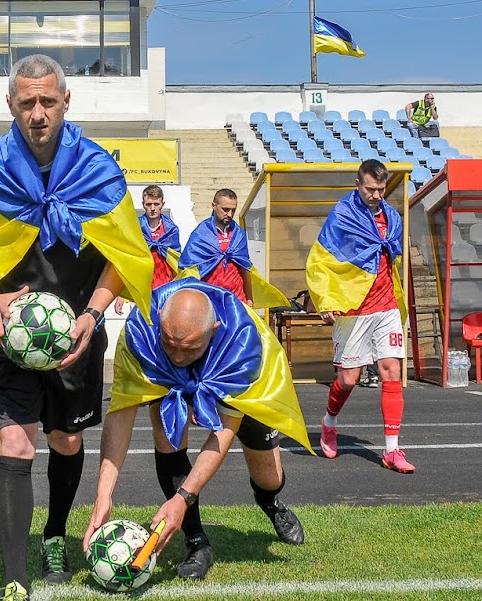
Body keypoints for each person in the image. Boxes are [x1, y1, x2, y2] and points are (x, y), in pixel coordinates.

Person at [0, 54, 153, 601]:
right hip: (5, 336)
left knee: (65, 439)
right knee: (15, 442)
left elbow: (126, 256)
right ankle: (15, 576)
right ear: (10, 105)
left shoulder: (99, 170)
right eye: (27, 102)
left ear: (66, 102)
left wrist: (91, 315)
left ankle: (56, 532)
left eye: (47, 101)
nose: (38, 112)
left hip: (76, 337)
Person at [84, 280, 311, 581]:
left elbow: (224, 433)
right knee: (166, 435)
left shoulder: (242, 341)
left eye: (189, 349)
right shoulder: (141, 331)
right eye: (170, 345)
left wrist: (181, 499)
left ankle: (270, 501)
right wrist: (104, 495)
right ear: (159, 319)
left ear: (214, 330)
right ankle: (196, 542)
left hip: (240, 384)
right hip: (167, 380)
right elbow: (121, 414)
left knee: (270, 476)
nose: (178, 357)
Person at [306, 158, 413, 473]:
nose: (376, 195)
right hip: (354, 310)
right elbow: (320, 261)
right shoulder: (341, 216)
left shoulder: (392, 217)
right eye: (371, 189)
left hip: (387, 307)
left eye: (381, 189)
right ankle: (329, 422)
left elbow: (391, 259)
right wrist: (325, 299)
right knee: (348, 379)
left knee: (391, 370)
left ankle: (392, 451)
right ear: (358, 184)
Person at [179, 188, 288, 310]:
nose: (230, 214)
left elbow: (245, 267)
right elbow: (188, 270)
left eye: (233, 210)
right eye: (225, 210)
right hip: (210, 302)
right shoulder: (201, 234)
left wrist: (249, 299)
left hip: (237, 300)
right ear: (213, 206)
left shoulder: (239, 234)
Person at [113, 184, 180, 315]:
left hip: (166, 289)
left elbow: (176, 263)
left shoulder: (171, 230)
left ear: (163, 204)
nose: (153, 208)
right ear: (143, 205)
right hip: (141, 290)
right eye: (149, 204)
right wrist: (121, 294)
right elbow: (126, 262)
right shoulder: (135, 228)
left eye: (156, 204)